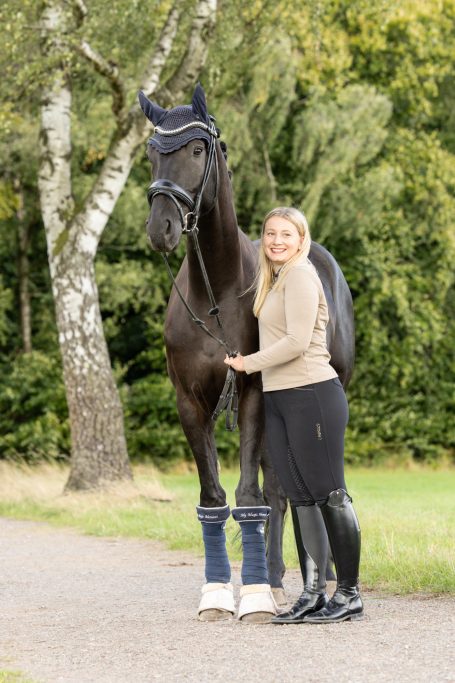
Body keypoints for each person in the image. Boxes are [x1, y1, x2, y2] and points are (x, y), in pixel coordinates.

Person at [224, 207, 363, 624]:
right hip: (280, 398)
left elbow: (298, 341)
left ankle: (349, 594)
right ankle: (313, 593)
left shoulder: (301, 274)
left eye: (286, 234)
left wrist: (247, 364)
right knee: (299, 495)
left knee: (330, 494)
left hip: (312, 393)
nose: (276, 241)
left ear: (302, 240)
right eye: (270, 233)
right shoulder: (275, 279)